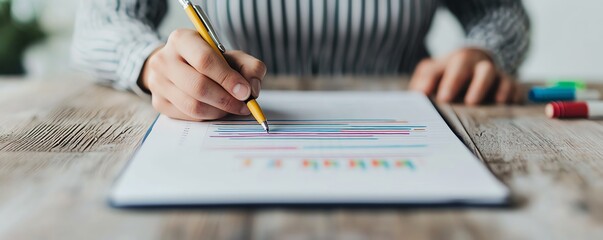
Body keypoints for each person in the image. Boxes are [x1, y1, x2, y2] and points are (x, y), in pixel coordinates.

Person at [72, 0, 530, 121]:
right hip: (232, 113)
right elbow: (101, 20)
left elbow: (499, 12)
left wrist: (483, 53)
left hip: (413, 108)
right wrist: (153, 63)